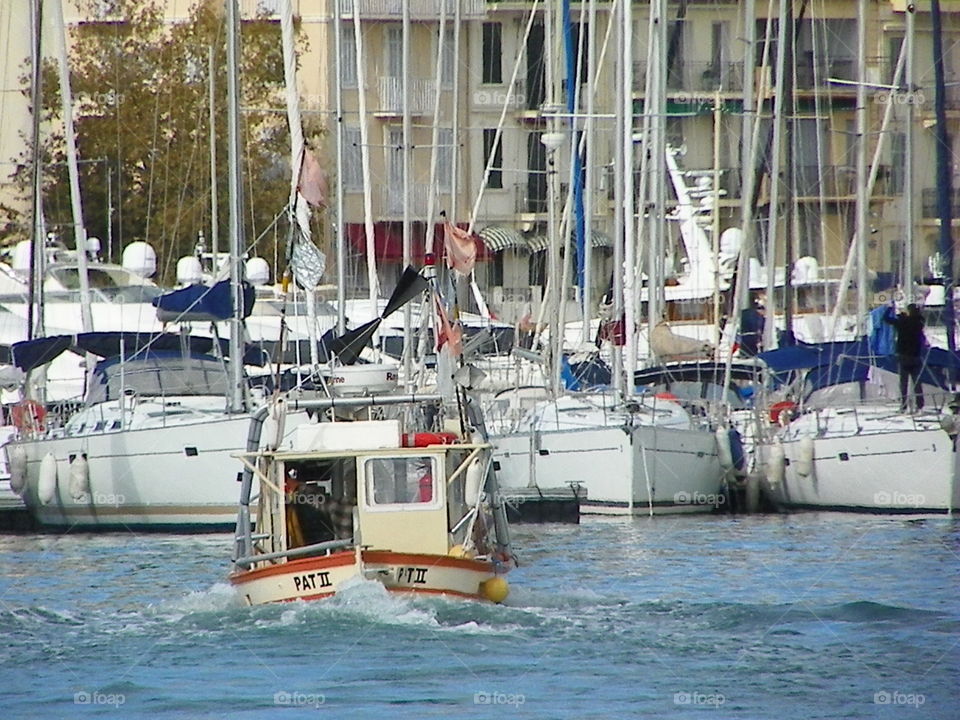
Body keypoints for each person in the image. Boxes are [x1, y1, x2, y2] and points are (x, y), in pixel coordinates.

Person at [883, 303, 927, 412]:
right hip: (916, 356)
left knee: (903, 383)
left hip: (903, 356)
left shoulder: (902, 322)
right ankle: (920, 405)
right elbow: (919, 319)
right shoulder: (919, 323)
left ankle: (904, 406)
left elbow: (886, 319)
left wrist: (889, 308)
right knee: (917, 382)